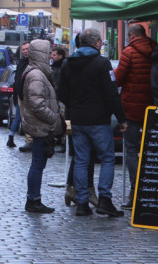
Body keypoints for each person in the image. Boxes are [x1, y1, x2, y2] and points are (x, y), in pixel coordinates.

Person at [57, 28, 125, 217]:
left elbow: (60, 91)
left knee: (81, 160)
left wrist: (74, 105)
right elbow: (112, 94)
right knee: (107, 158)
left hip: (78, 118)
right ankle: (104, 199)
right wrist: (121, 118)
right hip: (99, 119)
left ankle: (81, 202)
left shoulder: (67, 64)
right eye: (101, 42)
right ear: (96, 44)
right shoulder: (102, 64)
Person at [112, 23, 155, 209]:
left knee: (131, 150)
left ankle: (135, 192)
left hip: (131, 108)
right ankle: (153, 191)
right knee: (151, 151)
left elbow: (118, 78)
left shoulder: (128, 52)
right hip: (152, 107)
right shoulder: (155, 49)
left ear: (131, 35)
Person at [19, 39, 62, 213]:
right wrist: (54, 118)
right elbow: (37, 104)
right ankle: (33, 200)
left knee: (38, 163)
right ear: (41, 54)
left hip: (40, 125)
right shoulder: (36, 75)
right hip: (40, 126)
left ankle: (34, 198)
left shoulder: (38, 73)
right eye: (48, 52)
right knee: (37, 164)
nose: (51, 55)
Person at [7, 41, 31, 149]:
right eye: (24, 49)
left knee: (23, 119)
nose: (25, 51)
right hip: (21, 96)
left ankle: (15, 138)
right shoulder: (22, 63)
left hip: (30, 96)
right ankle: (13, 138)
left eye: (27, 49)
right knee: (20, 118)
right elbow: (17, 80)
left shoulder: (31, 63)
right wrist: (15, 94)